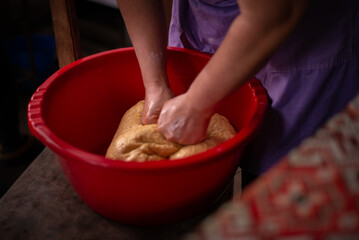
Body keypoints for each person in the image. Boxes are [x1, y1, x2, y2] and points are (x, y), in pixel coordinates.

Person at [117, 0, 359, 187]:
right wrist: (156, 84)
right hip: (207, 22)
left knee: (276, 189)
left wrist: (197, 104)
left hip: (303, 43)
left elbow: (274, 14)